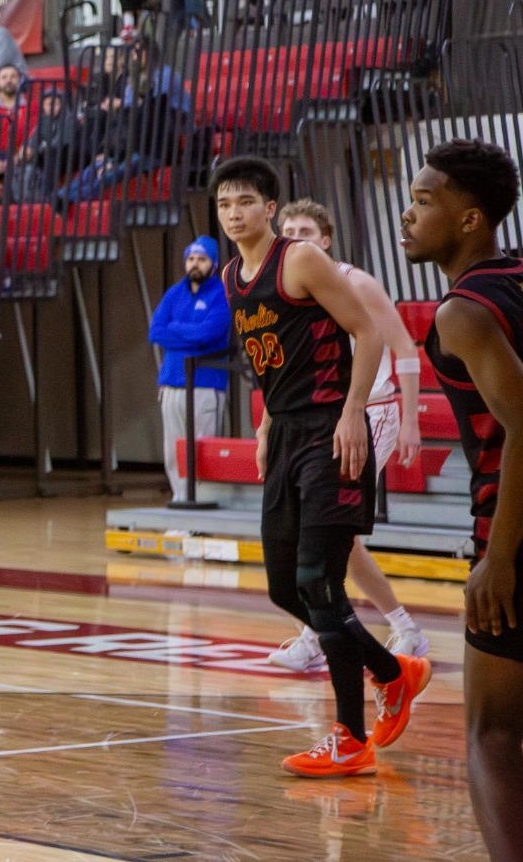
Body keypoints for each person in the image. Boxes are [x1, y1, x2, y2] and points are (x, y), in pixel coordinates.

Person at [211, 157, 429, 777]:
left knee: (320, 585)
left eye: (246, 201)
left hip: (332, 430)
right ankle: (394, 672)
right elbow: (268, 363)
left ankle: (350, 736)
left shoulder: (300, 260)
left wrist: (354, 411)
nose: (234, 213)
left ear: (269, 208)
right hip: (284, 433)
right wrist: (262, 426)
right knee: (287, 586)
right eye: (226, 204)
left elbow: (369, 333)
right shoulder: (232, 276)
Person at [400, 139, 523, 856]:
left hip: (511, 525)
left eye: (424, 201)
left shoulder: (462, 312)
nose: (408, 215)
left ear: (470, 218)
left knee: (493, 731)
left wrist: (500, 553)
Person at [267, 200, 431, 669]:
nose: (295, 236)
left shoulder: (356, 281)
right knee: (328, 533)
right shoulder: (289, 289)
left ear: (325, 239)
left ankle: (366, 631)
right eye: (288, 230)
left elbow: (404, 347)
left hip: (370, 412)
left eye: (305, 229)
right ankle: (383, 628)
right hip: (321, 419)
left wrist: (412, 420)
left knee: (329, 529)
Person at [148, 237, 232, 504]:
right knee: (174, 451)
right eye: (191, 259)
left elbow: (208, 334)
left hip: (205, 385)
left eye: (202, 259)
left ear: (214, 264)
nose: (195, 264)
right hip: (172, 383)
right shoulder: (174, 293)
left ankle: (202, 505)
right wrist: (189, 335)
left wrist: (176, 328)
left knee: (202, 449)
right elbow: (155, 332)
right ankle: (180, 500)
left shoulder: (222, 295)